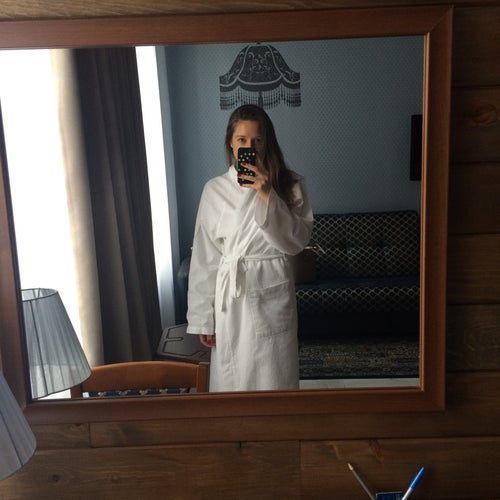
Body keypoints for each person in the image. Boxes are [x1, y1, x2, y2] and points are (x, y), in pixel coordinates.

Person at [186, 104, 313, 392]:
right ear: (231, 144)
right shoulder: (214, 189)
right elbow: (205, 257)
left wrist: (267, 193)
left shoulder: (291, 184)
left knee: (274, 373)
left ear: (268, 142)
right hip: (231, 297)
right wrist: (203, 317)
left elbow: (295, 242)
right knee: (233, 375)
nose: (250, 147)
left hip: (271, 286)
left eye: (257, 140)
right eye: (242, 140)